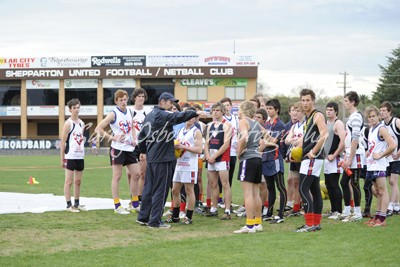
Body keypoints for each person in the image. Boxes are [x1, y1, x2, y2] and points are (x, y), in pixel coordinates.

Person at [136, 92, 204, 229]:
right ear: (162, 101)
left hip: (152, 156)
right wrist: (195, 112)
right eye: (170, 102)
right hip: (163, 157)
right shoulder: (162, 114)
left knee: (149, 188)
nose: (171, 104)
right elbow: (179, 116)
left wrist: (143, 151)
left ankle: (143, 217)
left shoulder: (149, 115)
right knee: (160, 190)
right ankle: (155, 221)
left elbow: (142, 135)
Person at [95, 89, 139, 215]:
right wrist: (112, 138)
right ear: (116, 101)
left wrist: (134, 139)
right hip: (118, 149)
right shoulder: (113, 113)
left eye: (125, 99)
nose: (124, 102)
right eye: (121, 100)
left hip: (129, 148)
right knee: (117, 176)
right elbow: (99, 128)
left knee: (136, 174)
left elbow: (132, 127)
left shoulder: (130, 111)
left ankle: (135, 203)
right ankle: (117, 205)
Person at [294, 89, 327, 232]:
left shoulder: (317, 115)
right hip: (310, 157)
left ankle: (309, 224)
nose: (305, 103)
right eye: (303, 100)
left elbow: (324, 135)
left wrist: (313, 152)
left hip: (312, 157)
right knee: (314, 189)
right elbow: (307, 139)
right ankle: (316, 223)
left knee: (303, 188)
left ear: (313, 100)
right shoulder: (308, 118)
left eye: (308, 100)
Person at [167, 107, 203, 225]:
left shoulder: (196, 131)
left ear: (195, 118)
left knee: (189, 190)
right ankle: (175, 216)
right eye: (188, 116)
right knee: (175, 190)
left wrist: (184, 147)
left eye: (192, 117)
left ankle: (188, 217)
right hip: (179, 164)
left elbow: (199, 149)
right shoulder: (181, 130)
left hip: (190, 165)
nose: (190, 119)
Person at [234, 101, 264, 233]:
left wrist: (239, 153)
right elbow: (268, 138)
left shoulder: (243, 121)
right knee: (255, 192)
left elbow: (244, 137)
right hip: (257, 158)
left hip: (248, 158)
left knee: (247, 193)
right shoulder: (256, 123)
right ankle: (258, 222)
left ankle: (250, 225)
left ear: (243, 110)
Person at [364, 106, 395, 226]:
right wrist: (369, 152)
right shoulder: (370, 129)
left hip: (379, 165)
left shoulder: (381, 129)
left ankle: (382, 219)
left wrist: (381, 155)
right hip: (371, 165)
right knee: (376, 191)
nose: (371, 118)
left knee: (383, 191)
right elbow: (374, 146)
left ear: (378, 116)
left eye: (373, 116)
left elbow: (392, 145)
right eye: (369, 117)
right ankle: (376, 216)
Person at [259, 99, 287, 224]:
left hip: (275, 158)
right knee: (270, 187)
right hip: (266, 158)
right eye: (268, 108)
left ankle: (281, 214)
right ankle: (269, 213)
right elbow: (261, 141)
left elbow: (273, 141)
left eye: (271, 108)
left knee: (280, 186)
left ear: (277, 110)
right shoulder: (266, 124)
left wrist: (261, 131)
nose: (269, 111)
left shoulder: (279, 124)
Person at [339, 91, 365, 222]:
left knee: (354, 183)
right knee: (343, 182)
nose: (344, 103)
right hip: (350, 154)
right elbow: (348, 138)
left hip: (357, 155)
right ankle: (348, 210)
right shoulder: (351, 116)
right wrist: (346, 155)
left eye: (346, 101)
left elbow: (355, 139)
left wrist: (350, 158)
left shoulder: (356, 117)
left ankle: (358, 213)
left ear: (353, 102)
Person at [204, 102, 232, 220]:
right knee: (213, 184)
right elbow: (206, 142)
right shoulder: (210, 125)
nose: (215, 113)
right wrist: (207, 155)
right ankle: (213, 208)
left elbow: (226, 144)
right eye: (213, 110)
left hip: (221, 158)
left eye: (218, 111)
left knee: (225, 184)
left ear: (223, 112)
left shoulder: (227, 125)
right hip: (211, 157)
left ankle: (227, 210)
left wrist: (214, 156)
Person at [60, 99, 86, 212]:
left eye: (78, 107)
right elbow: (63, 142)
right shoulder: (68, 123)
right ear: (70, 109)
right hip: (70, 156)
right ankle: (68, 205)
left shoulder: (82, 123)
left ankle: (77, 203)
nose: (76, 109)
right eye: (74, 108)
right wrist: (62, 158)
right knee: (69, 181)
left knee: (78, 181)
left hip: (80, 156)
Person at [127, 88, 150, 212]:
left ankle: (139, 199)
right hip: (130, 146)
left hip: (144, 145)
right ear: (134, 98)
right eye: (138, 96)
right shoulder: (129, 111)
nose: (141, 98)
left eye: (142, 96)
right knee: (130, 174)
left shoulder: (148, 111)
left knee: (142, 173)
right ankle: (132, 199)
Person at [323, 102, 345, 219]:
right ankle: (333, 210)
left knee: (334, 184)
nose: (329, 112)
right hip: (326, 158)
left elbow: (343, 141)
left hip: (335, 158)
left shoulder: (338, 123)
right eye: (327, 110)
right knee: (328, 184)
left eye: (331, 110)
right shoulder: (326, 123)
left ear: (336, 111)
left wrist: (335, 154)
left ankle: (339, 211)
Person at [379, 101, 400, 215]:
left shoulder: (396, 122)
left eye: (384, 111)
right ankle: (397, 205)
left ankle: (390, 207)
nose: (381, 113)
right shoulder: (382, 125)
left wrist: (399, 153)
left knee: (393, 181)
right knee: (390, 181)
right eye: (380, 111)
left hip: (397, 157)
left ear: (389, 112)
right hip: (387, 158)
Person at [284, 102, 304, 217]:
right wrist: (294, 140)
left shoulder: (306, 124)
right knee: (295, 182)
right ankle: (296, 208)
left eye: (298, 110)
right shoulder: (294, 126)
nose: (295, 112)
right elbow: (287, 140)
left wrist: (295, 141)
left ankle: (306, 206)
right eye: (294, 110)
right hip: (294, 157)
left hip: (303, 158)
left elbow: (304, 139)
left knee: (305, 184)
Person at [219, 97, 239, 208]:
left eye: (228, 105)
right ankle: (220, 199)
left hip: (233, 152)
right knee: (220, 178)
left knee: (230, 177)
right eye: (224, 105)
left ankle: (228, 201)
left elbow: (239, 133)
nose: (226, 107)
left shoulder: (236, 119)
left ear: (231, 106)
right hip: (223, 152)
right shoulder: (222, 120)